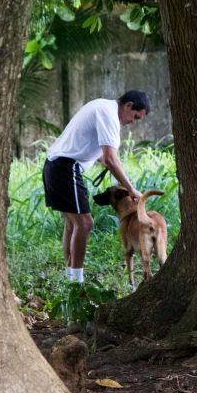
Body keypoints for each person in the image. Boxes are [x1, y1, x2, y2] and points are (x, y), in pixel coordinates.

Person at [42, 90, 150, 283]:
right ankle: (77, 283)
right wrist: (131, 188)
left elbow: (102, 155)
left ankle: (71, 280)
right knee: (85, 223)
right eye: (135, 116)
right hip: (66, 167)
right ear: (128, 106)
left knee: (72, 224)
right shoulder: (109, 115)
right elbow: (110, 158)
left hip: (54, 165)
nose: (133, 121)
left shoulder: (101, 106)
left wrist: (116, 169)